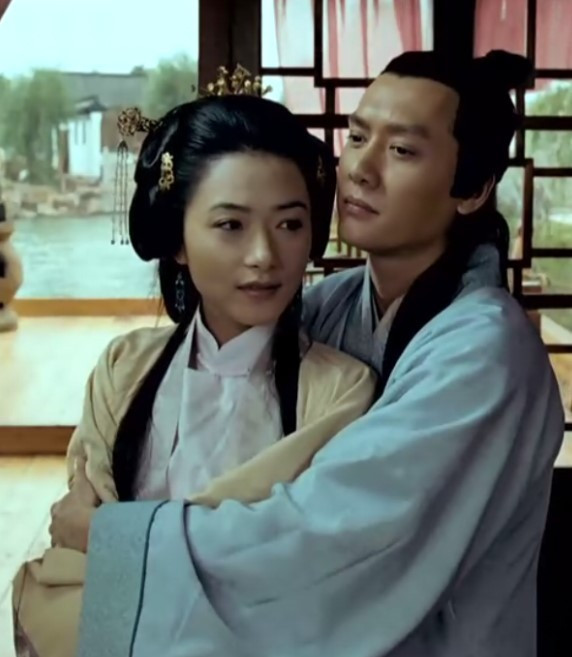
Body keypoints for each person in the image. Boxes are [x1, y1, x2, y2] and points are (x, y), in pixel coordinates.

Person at [75, 50, 564, 657]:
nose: (361, 169)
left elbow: (331, 536)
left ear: (473, 189)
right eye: (357, 137)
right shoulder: (331, 303)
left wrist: (122, 541)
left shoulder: (486, 353)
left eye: (402, 150)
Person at [11, 68, 377, 657]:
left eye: (290, 224)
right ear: (178, 240)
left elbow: (306, 567)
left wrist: (118, 542)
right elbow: (75, 554)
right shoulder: (124, 368)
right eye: (230, 225)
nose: (264, 255)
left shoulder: (341, 391)